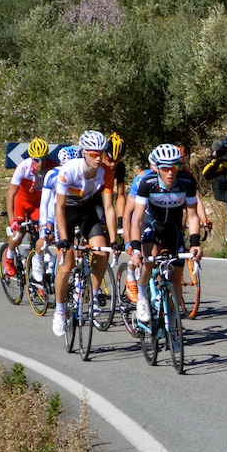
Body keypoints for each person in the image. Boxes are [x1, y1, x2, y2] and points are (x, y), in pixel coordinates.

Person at [130, 144, 203, 323]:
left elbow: (193, 216)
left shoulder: (187, 182)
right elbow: (137, 219)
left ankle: (172, 321)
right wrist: (135, 248)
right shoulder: (148, 183)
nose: (170, 173)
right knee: (150, 259)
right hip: (152, 224)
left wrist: (195, 243)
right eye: (165, 168)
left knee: (176, 278)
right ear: (157, 168)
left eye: (174, 167)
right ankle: (142, 295)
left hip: (173, 227)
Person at [51, 130, 112, 337]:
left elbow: (110, 208)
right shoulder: (69, 171)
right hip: (66, 212)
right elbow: (58, 207)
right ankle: (59, 310)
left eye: (101, 155)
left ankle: (94, 296)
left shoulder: (105, 172)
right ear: (84, 153)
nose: (99, 159)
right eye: (94, 155)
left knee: (103, 252)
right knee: (66, 266)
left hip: (87, 212)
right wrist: (64, 240)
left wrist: (115, 238)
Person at [3, 137, 54, 278]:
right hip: (21, 202)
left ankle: (34, 258)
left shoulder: (51, 166)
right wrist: (12, 220)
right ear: (31, 158)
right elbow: (11, 195)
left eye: (43, 159)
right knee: (19, 233)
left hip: (37, 204)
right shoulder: (23, 167)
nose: (41, 163)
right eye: (37, 160)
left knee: (44, 233)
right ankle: (9, 257)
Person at [35, 145, 80, 289]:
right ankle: (37, 257)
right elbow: (44, 201)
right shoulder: (52, 175)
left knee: (79, 245)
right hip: (52, 211)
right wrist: (44, 224)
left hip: (70, 212)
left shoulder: (78, 173)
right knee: (46, 239)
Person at [122, 158, 157, 303]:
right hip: (140, 218)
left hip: (156, 220)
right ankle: (130, 275)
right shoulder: (142, 179)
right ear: (151, 166)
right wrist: (128, 241)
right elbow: (128, 213)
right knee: (138, 253)